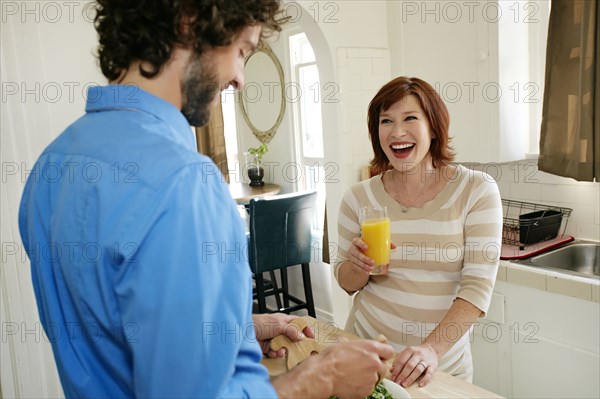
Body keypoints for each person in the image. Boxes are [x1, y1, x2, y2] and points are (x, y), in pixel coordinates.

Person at [18, 1, 393, 398]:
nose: (240, 78)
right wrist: (324, 375)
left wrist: (234, 330)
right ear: (190, 23)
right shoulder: (184, 183)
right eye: (242, 51)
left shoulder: (53, 164)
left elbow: (120, 326)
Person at [335, 76, 503, 389]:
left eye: (410, 118)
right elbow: (345, 283)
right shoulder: (358, 197)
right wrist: (357, 267)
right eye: (386, 121)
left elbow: (477, 289)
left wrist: (431, 350)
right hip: (367, 358)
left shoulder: (476, 190)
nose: (397, 132)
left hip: (439, 370)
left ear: (434, 127)